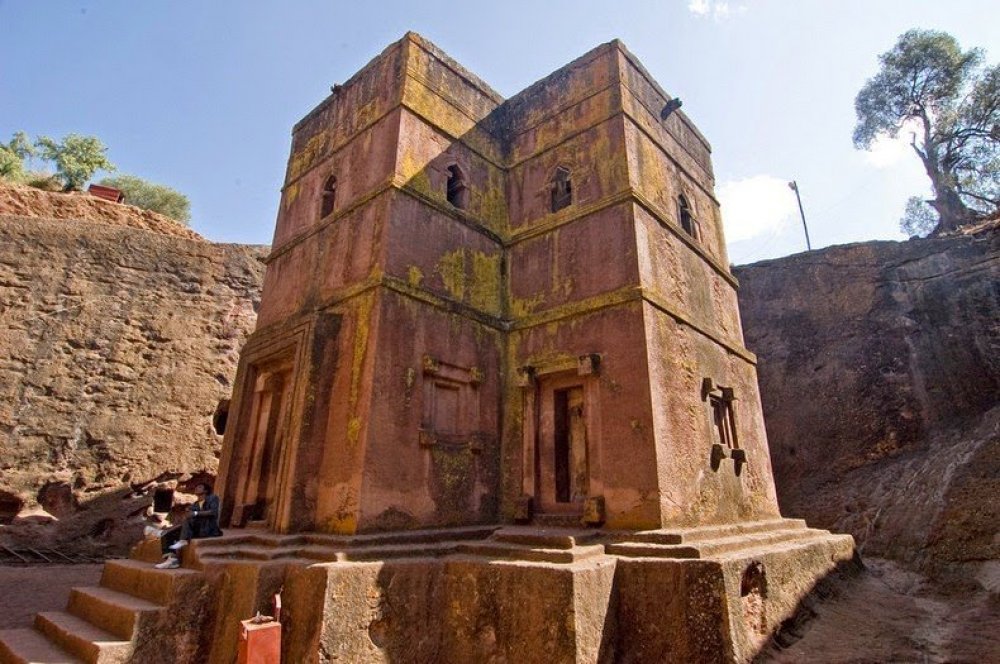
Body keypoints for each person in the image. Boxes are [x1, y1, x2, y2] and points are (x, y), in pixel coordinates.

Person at [154, 483, 222, 569]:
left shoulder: (213, 498)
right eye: (196, 486)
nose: (197, 488)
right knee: (166, 534)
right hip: (194, 529)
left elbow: (213, 512)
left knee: (189, 517)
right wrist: (171, 528)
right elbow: (187, 517)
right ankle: (172, 560)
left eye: (200, 487)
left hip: (208, 529)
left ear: (206, 490)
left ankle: (183, 539)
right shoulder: (196, 504)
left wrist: (195, 513)